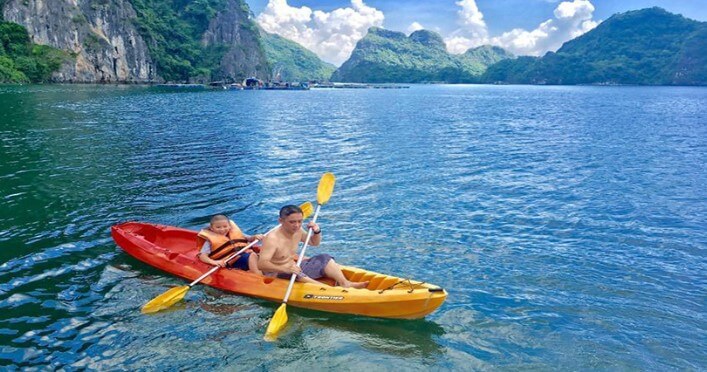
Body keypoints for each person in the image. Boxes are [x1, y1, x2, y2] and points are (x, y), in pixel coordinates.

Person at [258, 205, 369, 289]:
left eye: (300, 221)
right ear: (281, 221)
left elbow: (313, 242)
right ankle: (327, 290)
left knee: (324, 257)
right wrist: (285, 269)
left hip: (294, 267)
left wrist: (317, 232)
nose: (296, 225)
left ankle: (345, 283)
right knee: (296, 273)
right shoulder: (272, 239)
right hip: (278, 273)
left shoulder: (298, 231)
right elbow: (262, 264)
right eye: (292, 222)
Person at [197, 214, 264, 274]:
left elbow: (249, 238)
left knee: (260, 254)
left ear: (229, 226)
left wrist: (255, 237)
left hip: (244, 254)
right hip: (231, 261)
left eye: (225, 226)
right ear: (211, 228)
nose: (222, 229)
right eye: (218, 227)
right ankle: (258, 275)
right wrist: (215, 262)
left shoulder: (234, 232)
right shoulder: (209, 241)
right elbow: (202, 256)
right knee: (252, 255)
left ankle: (262, 268)